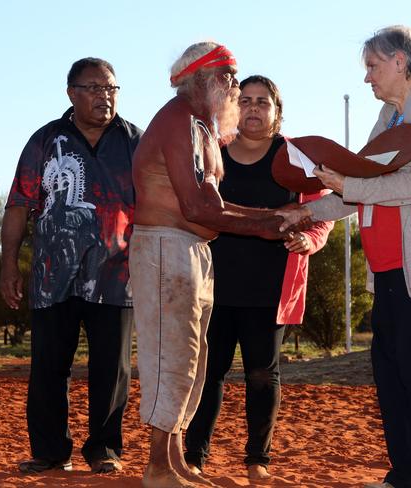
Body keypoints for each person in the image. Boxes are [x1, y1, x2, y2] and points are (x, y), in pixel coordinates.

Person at [277, 26, 411, 488]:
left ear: (401, 61)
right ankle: (408, 476)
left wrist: (346, 186)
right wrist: (305, 211)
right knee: (392, 373)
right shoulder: (389, 117)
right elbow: (361, 186)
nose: (367, 78)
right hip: (391, 267)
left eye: (373, 67)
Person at [129, 43, 290, 488]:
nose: (235, 86)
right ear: (199, 79)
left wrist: (272, 220)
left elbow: (209, 206)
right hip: (166, 247)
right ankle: (158, 468)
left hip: (192, 253)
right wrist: (268, 223)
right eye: (228, 76)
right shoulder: (177, 119)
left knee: (192, 363)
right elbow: (198, 207)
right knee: (171, 357)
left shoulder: (203, 127)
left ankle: (176, 460)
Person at [183, 75, 333, 481]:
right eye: (244, 100)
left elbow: (323, 211)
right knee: (208, 372)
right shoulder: (215, 150)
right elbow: (192, 204)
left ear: (277, 112)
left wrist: (310, 238)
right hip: (214, 283)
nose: (253, 108)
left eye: (262, 102)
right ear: (234, 106)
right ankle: (194, 455)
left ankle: (257, 460)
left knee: (262, 374)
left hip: (271, 286)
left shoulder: (297, 157)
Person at [0, 57, 142, 475]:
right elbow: (18, 205)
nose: (105, 97)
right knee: (48, 366)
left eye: (112, 89)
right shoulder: (45, 141)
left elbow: (159, 203)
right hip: (51, 275)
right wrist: (9, 264)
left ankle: (104, 450)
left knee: (112, 369)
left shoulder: (137, 141)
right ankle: (48, 452)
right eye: (95, 88)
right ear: (71, 93)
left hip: (118, 274)